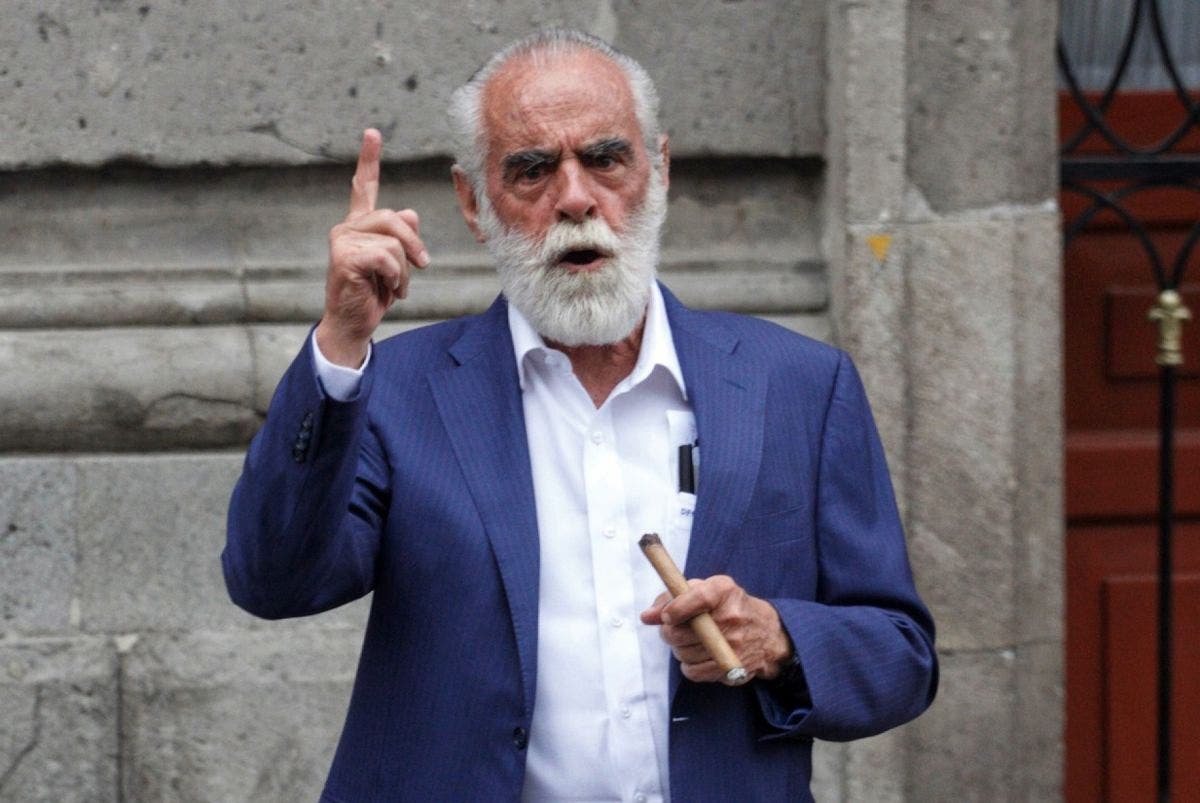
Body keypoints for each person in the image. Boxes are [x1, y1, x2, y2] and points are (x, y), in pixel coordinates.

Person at [223, 29, 936, 803]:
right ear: (473, 202)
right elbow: (272, 581)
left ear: (659, 170)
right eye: (532, 169)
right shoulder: (394, 391)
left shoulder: (798, 385)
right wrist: (340, 342)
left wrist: (779, 637)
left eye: (605, 159)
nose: (574, 198)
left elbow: (901, 657)